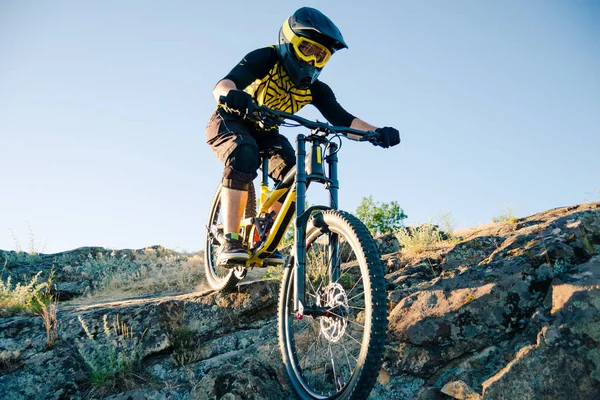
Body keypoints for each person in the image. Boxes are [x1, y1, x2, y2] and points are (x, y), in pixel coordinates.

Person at [206, 7, 400, 267]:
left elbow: (343, 119)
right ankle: (230, 238)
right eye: (308, 49)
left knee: (297, 173)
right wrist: (232, 95)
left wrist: (375, 133)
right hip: (229, 120)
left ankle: (266, 233)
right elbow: (223, 84)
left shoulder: (316, 90)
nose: (312, 61)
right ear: (289, 43)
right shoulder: (266, 58)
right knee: (244, 153)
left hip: (267, 132)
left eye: (321, 56)